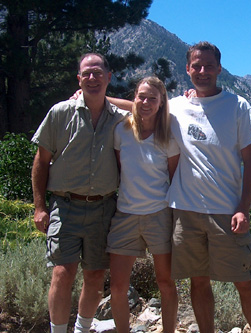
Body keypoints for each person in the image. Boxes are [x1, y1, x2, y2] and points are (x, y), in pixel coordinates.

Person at [166, 41, 251, 333]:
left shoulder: (238, 106)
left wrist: (243, 208)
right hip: (185, 212)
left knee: (244, 281)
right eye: (196, 66)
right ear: (187, 70)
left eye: (208, 65)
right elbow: (140, 105)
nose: (202, 71)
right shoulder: (176, 106)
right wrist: (90, 96)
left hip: (226, 211)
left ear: (219, 69)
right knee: (198, 281)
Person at [31, 53, 129, 333]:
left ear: (109, 77)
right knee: (62, 273)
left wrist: (106, 101)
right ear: (78, 79)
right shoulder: (61, 113)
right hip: (66, 205)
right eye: (86, 73)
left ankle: (83, 329)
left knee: (96, 276)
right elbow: (41, 161)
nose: (92, 78)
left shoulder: (119, 119)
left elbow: (147, 108)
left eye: (98, 73)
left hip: (104, 208)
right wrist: (40, 208)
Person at [107, 76, 180, 332]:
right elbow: (120, 169)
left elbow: (174, 178)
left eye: (152, 98)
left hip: (158, 215)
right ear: (134, 98)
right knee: (117, 286)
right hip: (125, 215)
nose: (146, 102)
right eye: (141, 97)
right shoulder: (121, 130)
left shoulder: (168, 136)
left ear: (161, 103)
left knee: (166, 283)